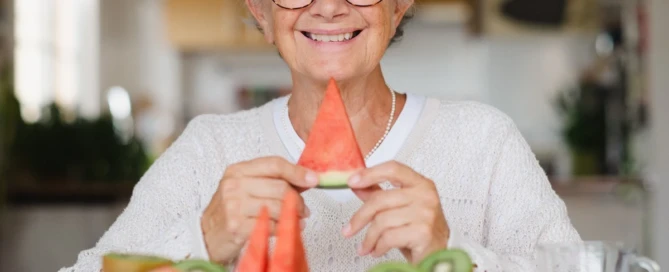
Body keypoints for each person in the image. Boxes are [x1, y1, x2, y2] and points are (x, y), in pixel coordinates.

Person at [60, 0, 582, 270]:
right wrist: (201, 238)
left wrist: (454, 256)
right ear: (260, 13)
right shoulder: (208, 150)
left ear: (397, 6)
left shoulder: (482, 141)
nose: (328, 7)